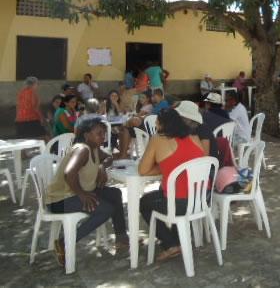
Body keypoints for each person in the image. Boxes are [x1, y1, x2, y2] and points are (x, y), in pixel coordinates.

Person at [47, 117, 127, 266]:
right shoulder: (82, 149)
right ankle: (64, 243)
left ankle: (122, 239)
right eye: (99, 133)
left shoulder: (94, 148)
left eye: (104, 133)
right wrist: (82, 194)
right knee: (106, 210)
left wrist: (102, 166)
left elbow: (109, 157)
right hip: (60, 200)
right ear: (86, 135)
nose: (103, 137)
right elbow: (69, 173)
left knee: (115, 194)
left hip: (76, 193)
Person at [139, 108, 205, 262]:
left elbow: (143, 170)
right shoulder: (194, 138)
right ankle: (178, 240)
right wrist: (169, 166)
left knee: (145, 202)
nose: (155, 125)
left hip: (180, 203)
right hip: (200, 200)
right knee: (166, 192)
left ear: (163, 125)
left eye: (157, 123)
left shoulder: (157, 139)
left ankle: (170, 244)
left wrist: (164, 167)